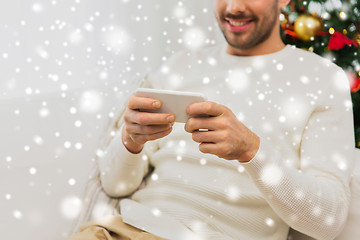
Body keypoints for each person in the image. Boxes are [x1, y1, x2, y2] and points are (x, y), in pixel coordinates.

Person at [67, 0, 356, 239]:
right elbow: (116, 186)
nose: (233, 7)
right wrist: (130, 142)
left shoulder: (321, 80)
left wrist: (252, 150)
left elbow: (327, 222)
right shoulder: (179, 65)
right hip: (119, 231)